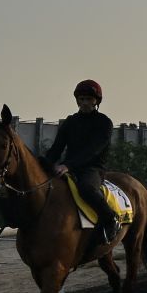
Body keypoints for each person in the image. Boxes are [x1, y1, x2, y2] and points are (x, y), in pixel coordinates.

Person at [44, 79, 118, 244]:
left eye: (89, 99)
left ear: (96, 101)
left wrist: (68, 165)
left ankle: (110, 218)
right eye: (82, 99)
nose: (84, 103)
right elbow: (56, 148)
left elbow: (93, 151)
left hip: (92, 169)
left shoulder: (104, 123)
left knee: (86, 188)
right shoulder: (70, 122)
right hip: (68, 167)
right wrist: (43, 163)